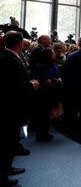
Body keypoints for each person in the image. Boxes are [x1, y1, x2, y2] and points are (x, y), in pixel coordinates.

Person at [0, 31, 39, 186]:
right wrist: (31, 84)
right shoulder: (10, 60)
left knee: (10, 141)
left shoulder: (5, 56)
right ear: (19, 43)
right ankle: (3, 176)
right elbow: (13, 87)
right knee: (7, 142)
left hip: (10, 106)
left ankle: (7, 168)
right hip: (11, 107)